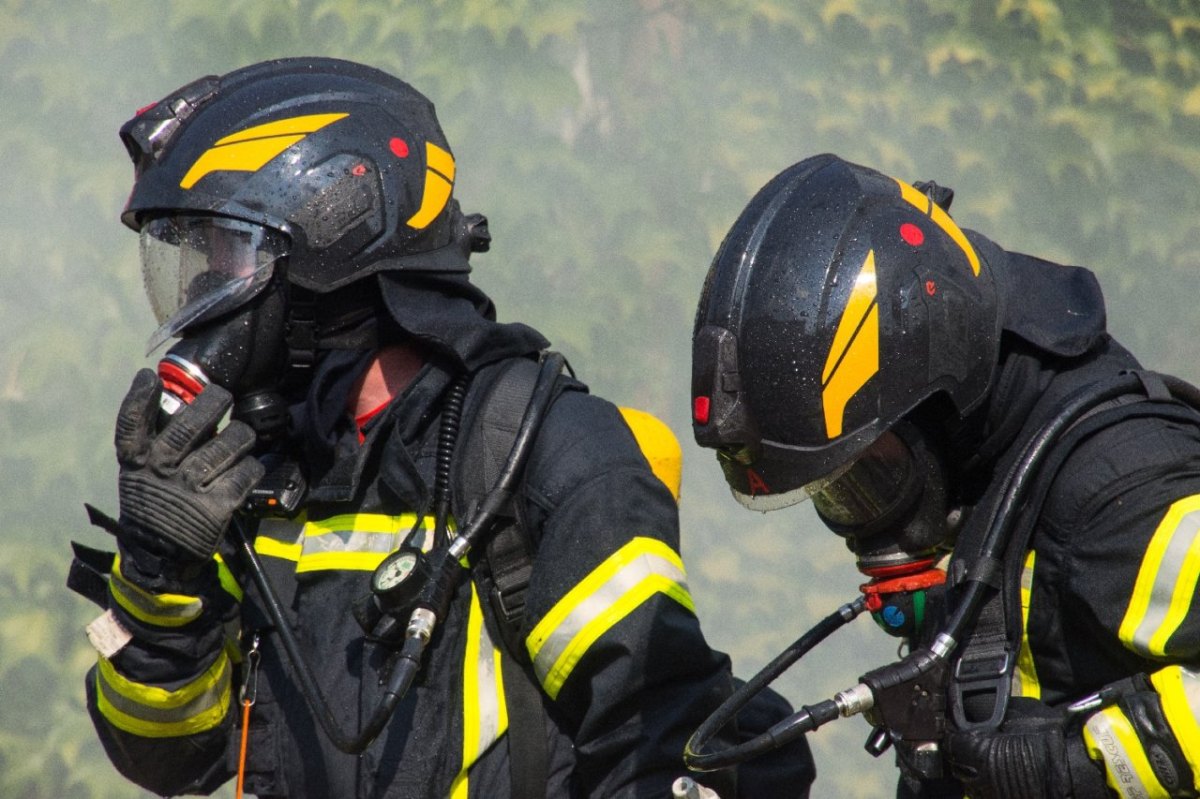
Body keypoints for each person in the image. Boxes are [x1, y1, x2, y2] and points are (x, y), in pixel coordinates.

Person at [68, 58, 815, 798]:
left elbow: (662, 748)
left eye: (223, 252)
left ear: (331, 233)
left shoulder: (540, 456)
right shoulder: (254, 478)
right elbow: (169, 757)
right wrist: (160, 576)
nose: (201, 292)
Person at [688, 152, 1200, 798]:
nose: (863, 525)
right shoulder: (993, 483)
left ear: (936, 395)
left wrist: (1060, 768)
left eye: (868, 477)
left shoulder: (1115, 492)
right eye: (836, 494)